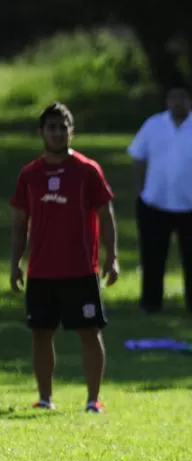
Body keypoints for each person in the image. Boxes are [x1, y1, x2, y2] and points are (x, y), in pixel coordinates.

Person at [9, 102, 120, 414]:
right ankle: (45, 398)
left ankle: (92, 399)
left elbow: (106, 215)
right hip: (42, 270)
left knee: (89, 332)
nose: (58, 133)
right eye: (51, 127)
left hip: (80, 268)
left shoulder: (87, 170)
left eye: (63, 127)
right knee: (41, 333)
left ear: (72, 131)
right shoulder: (29, 174)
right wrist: (15, 263)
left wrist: (113, 257)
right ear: (42, 132)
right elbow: (19, 223)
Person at [128, 86, 192, 315]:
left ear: (190, 100)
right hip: (155, 202)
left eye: (182, 98)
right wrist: (142, 190)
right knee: (152, 256)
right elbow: (137, 158)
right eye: (173, 97)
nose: (177, 103)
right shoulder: (153, 125)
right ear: (167, 101)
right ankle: (150, 303)